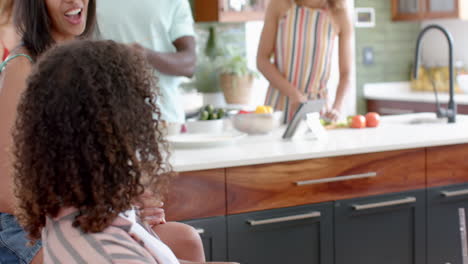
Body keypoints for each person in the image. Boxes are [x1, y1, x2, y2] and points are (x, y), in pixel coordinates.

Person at [0, 1, 202, 263]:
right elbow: (7, 194)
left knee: (187, 241)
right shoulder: (22, 66)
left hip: (88, 213)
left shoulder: (86, 59)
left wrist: (134, 195)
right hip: (30, 226)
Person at [96, 0, 197, 125]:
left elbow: (189, 64)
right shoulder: (91, 3)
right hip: (109, 120)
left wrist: (147, 56)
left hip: (165, 120)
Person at [257, 0, 353, 123]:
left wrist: (336, 109)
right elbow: (262, 59)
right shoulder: (279, 5)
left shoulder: (340, 13)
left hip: (317, 111)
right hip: (278, 108)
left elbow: (346, 74)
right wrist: (294, 94)